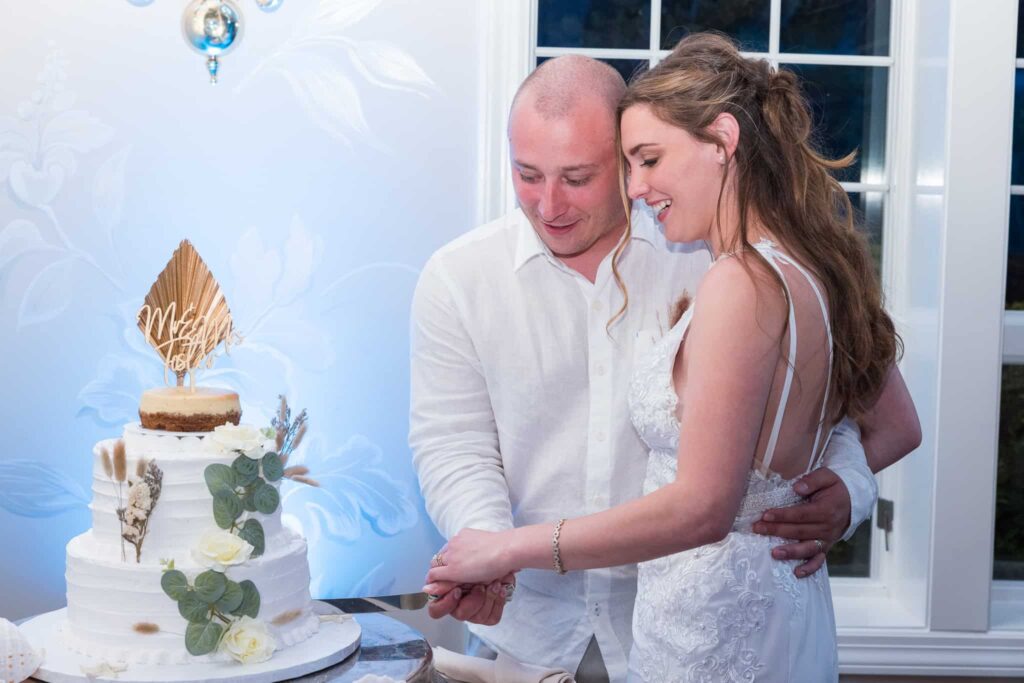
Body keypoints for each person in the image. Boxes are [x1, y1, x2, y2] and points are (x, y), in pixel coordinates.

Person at [410, 48, 918, 683]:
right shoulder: (458, 277)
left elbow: (846, 405)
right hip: (530, 626)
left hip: (694, 623)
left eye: (578, 176)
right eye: (526, 174)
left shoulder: (712, 252)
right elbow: (453, 442)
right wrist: (492, 555)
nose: (548, 205)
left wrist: (846, 487)